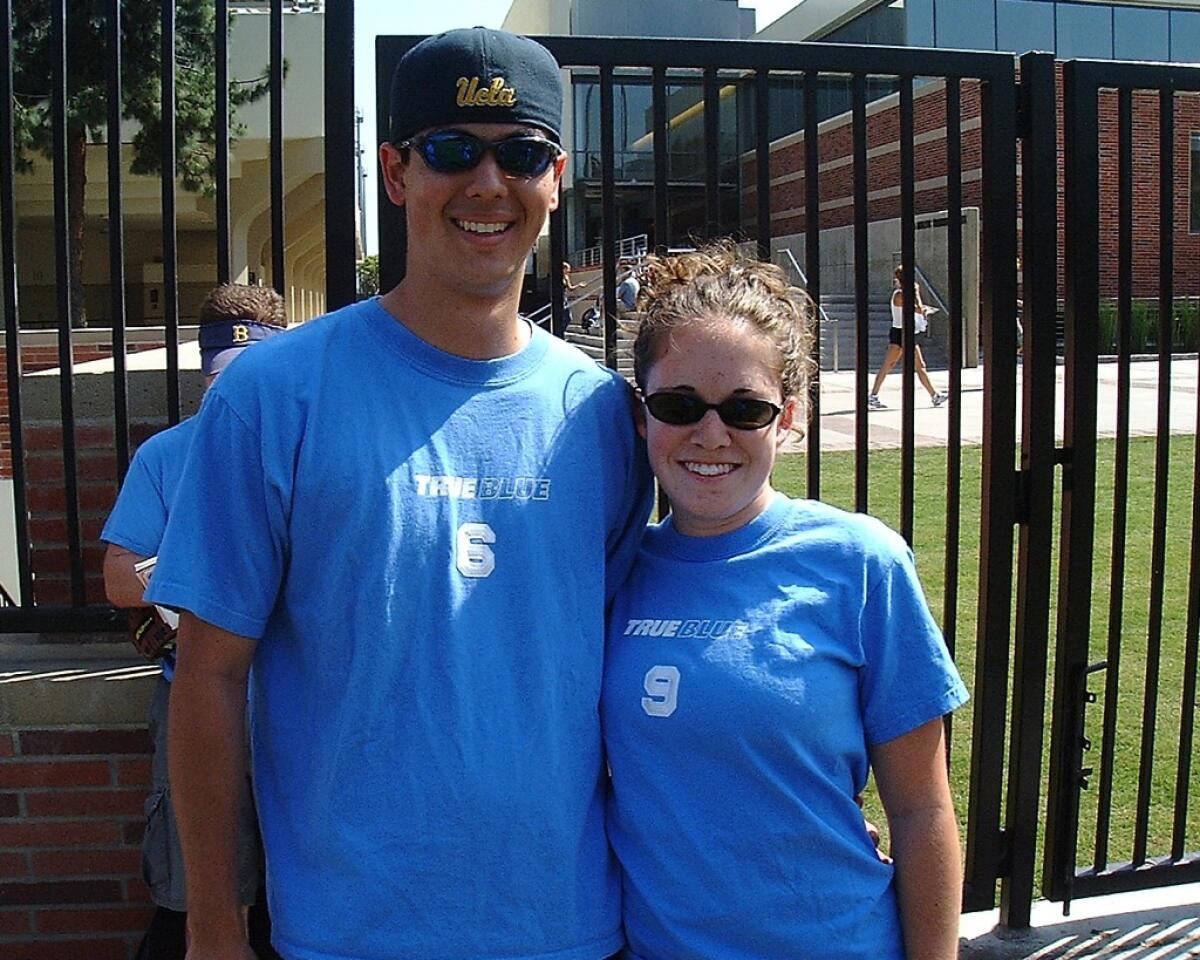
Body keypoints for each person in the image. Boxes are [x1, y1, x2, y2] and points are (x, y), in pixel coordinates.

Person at [145, 27, 652, 960]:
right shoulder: (273, 397)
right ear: (394, 172)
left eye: (521, 153)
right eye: (452, 151)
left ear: (558, 174)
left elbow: (631, 667)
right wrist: (215, 919)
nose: (487, 184)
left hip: (569, 925)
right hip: (349, 929)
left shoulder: (605, 415)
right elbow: (209, 675)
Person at [602, 245, 968, 960]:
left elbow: (923, 811)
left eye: (745, 408)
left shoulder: (860, 564)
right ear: (642, 415)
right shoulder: (614, 573)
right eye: (680, 405)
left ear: (789, 416)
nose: (712, 434)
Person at [101, 283, 288, 960]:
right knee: (201, 889)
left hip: (298, 696)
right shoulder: (166, 455)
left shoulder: (304, 442)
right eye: (219, 378)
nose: (231, 394)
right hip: (198, 693)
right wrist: (193, 567)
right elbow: (120, 579)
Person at [868, 264, 947, 409]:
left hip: (907, 331)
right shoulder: (900, 294)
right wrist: (916, 293)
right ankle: (873, 395)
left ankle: (934, 395)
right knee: (892, 365)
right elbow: (918, 309)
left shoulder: (905, 293)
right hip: (900, 332)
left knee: (911, 365)